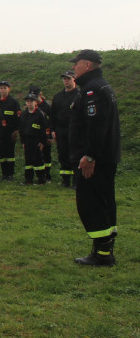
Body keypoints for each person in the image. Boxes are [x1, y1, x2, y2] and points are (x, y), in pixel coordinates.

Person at [68, 50, 121, 266]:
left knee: (91, 203)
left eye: (76, 64)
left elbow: (97, 125)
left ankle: (102, 254)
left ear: (87, 65)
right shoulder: (99, 86)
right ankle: (104, 250)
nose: (74, 68)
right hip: (104, 157)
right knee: (103, 201)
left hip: (95, 160)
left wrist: (90, 156)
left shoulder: (92, 90)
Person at [50, 70, 79, 188]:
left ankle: (77, 181)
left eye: (68, 78)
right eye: (64, 79)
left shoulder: (79, 95)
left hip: (75, 130)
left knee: (75, 155)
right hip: (61, 130)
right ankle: (65, 180)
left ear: (74, 80)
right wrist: (52, 130)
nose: (66, 81)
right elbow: (53, 115)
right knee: (63, 155)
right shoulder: (58, 97)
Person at [20, 93, 49, 185]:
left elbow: (44, 129)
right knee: (28, 161)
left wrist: (42, 141)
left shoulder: (40, 114)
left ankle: (41, 179)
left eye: (31, 101)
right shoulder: (24, 114)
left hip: (37, 139)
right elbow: (21, 129)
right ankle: (28, 180)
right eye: (27, 101)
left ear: (35, 102)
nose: (29, 103)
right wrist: (23, 141)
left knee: (38, 160)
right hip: (27, 140)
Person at [0, 80, 20, 181]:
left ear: (8, 89)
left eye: (5, 88)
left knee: (10, 154)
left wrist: (16, 131)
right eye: (1, 88)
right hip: (0, 132)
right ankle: (4, 173)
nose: (3, 90)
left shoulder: (13, 102)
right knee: (1, 153)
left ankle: (10, 174)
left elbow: (18, 117)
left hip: (10, 132)